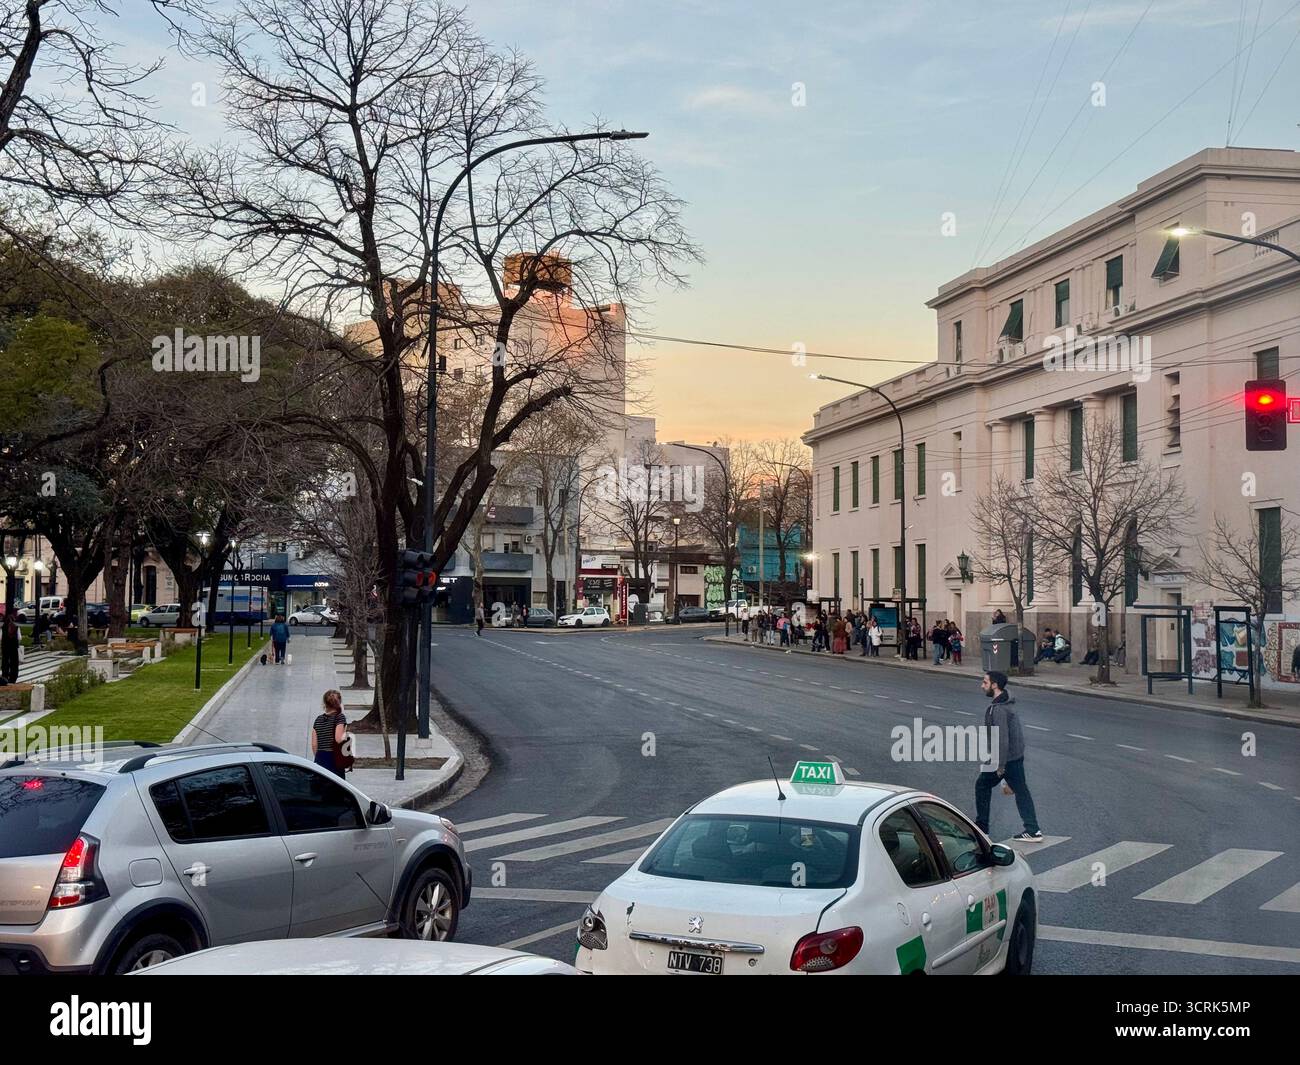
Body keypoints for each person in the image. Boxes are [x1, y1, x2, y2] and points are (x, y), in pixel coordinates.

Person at [974, 670, 1042, 842]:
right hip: (1015, 756)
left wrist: (1000, 766)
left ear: (994, 685)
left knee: (982, 786)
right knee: (1021, 791)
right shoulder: (1007, 703)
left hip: (1004, 759)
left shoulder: (997, 710)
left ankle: (982, 828)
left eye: (985, 682)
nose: (982, 686)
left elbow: (1002, 739)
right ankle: (1033, 830)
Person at [310, 689, 349, 779]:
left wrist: (319, 758)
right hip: (334, 759)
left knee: (321, 788)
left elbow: (314, 744)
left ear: (325, 703)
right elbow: (338, 739)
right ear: (339, 702)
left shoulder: (318, 719)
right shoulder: (339, 717)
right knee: (336, 788)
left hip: (320, 757)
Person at [1, 615, 19, 683]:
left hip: (5, 645)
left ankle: (5, 676)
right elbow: (19, 637)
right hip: (13, 645)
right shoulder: (16, 626)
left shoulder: (3, 626)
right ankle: (13, 677)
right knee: (14, 661)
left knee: (5, 661)